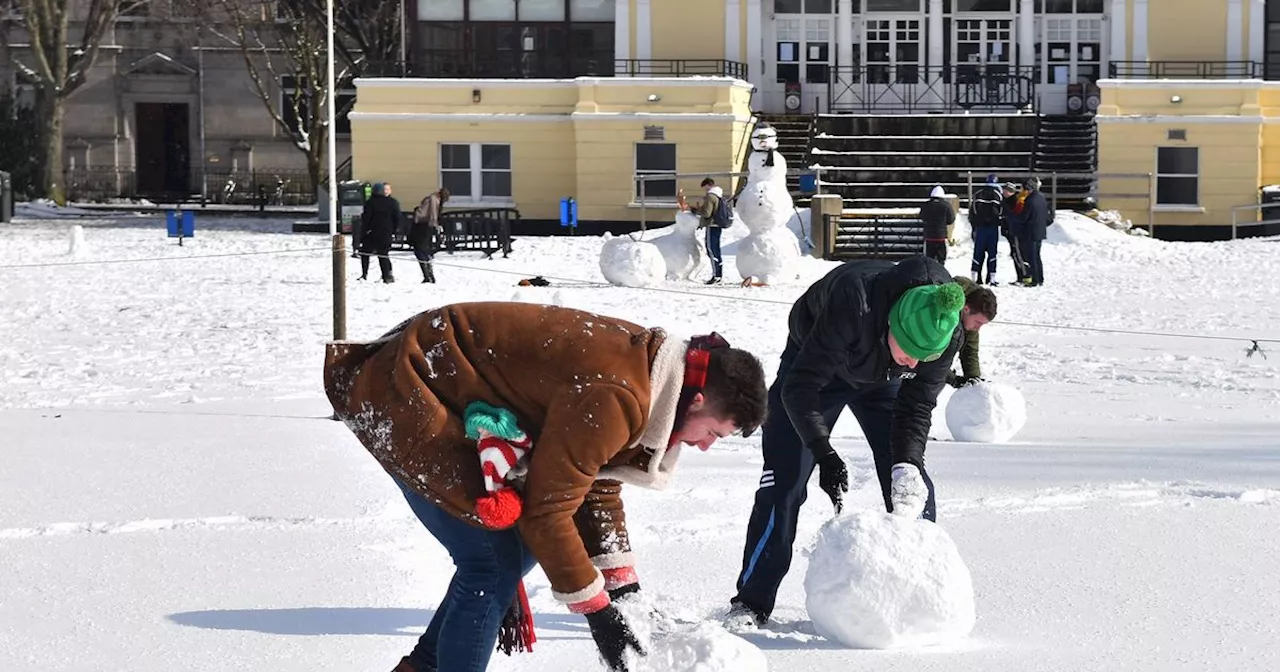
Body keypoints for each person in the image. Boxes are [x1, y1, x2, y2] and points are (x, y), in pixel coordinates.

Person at [324, 302, 769, 672]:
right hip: (408, 389)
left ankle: (420, 666)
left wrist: (620, 583)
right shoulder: (620, 394)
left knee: (514, 555)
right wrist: (597, 613)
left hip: (443, 386)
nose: (706, 446)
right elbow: (548, 510)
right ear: (697, 400)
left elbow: (588, 479)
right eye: (715, 432)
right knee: (492, 565)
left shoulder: (649, 381)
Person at [728, 255, 994, 628]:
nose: (915, 366)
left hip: (882, 378)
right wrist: (823, 451)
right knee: (784, 482)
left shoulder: (945, 332)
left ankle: (920, 599)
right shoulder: (853, 303)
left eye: (923, 359)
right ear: (892, 323)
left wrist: (906, 462)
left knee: (910, 484)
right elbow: (799, 390)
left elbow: (916, 408)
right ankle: (751, 603)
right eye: (908, 353)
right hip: (815, 372)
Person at [946, 275, 999, 389]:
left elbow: (970, 348)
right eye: (978, 323)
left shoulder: (972, 307)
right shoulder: (945, 310)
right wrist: (951, 379)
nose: (977, 328)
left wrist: (973, 378)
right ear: (966, 309)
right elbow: (933, 360)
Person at [677, 177, 729, 284]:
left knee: (712, 250)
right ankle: (718, 274)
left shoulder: (710, 196)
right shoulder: (719, 195)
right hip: (717, 226)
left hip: (712, 226)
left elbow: (706, 213)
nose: (705, 190)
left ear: (707, 185)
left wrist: (695, 209)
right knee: (716, 250)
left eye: (704, 187)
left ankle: (716, 276)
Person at [1009, 176, 1049, 287]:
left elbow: (1023, 218)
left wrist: (1012, 216)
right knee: (1037, 256)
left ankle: (1035, 280)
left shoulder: (1030, 200)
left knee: (1032, 257)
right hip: (1040, 231)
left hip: (1031, 232)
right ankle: (1040, 278)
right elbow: (1048, 216)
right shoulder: (1041, 198)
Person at [359, 182, 401, 283]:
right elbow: (397, 218)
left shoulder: (370, 202)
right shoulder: (393, 202)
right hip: (386, 232)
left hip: (372, 232)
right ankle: (386, 275)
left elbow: (366, 218)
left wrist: (364, 231)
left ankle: (364, 274)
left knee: (365, 253)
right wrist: (394, 230)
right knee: (383, 254)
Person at [968, 174, 1004, 285]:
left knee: (978, 253)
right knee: (992, 254)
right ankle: (991, 277)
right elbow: (1001, 211)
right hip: (992, 228)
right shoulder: (998, 195)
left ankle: (976, 277)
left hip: (980, 228)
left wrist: (974, 225)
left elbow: (972, 211)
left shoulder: (978, 194)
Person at [411, 187, 449, 283]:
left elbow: (430, 215)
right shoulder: (437, 201)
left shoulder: (432, 199)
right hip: (427, 227)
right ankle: (428, 273)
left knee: (419, 250)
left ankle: (427, 275)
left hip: (422, 226)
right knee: (423, 250)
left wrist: (417, 211)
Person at [1001, 182, 1029, 285]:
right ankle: (1020, 276)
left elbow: (1014, 216)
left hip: (1014, 231)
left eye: (1006, 190)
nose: (1004, 192)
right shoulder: (1006, 200)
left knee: (1018, 254)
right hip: (1010, 231)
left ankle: (1023, 276)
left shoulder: (1015, 201)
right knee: (1015, 254)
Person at [920, 185, 955, 264]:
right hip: (941, 237)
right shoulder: (946, 205)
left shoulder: (926, 205)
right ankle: (941, 274)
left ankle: (929, 275)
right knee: (941, 260)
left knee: (928, 261)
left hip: (929, 237)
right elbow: (951, 220)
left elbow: (922, 217)